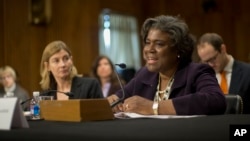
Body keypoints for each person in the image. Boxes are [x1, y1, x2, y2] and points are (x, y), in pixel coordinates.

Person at [107, 15, 226, 115]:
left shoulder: (196, 72)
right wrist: (113, 102)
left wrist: (153, 107)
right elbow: (120, 97)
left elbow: (216, 101)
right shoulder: (144, 74)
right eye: (148, 43)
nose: (150, 49)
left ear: (179, 49)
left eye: (159, 44)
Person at [197, 33, 250, 114]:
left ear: (223, 49)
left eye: (213, 59)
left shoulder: (247, 72)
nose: (210, 64)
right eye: (206, 61)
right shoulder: (203, 77)